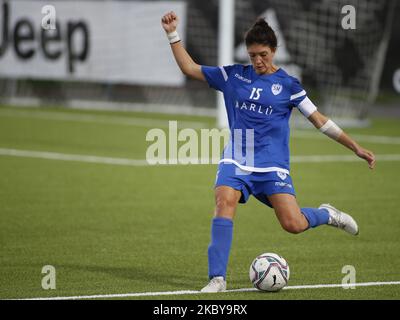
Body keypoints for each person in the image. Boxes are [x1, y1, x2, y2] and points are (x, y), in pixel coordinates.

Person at [161, 11, 376, 293]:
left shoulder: (288, 85)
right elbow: (190, 68)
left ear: (274, 51)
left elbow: (320, 120)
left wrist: (355, 147)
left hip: (272, 164)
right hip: (238, 156)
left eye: (263, 54)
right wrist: (172, 34)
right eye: (252, 55)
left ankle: (328, 215)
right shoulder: (233, 75)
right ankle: (217, 278)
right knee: (224, 200)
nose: (258, 61)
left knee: (293, 224)